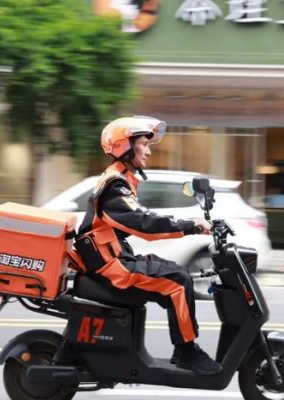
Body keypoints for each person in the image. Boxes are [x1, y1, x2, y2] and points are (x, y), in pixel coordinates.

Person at [75, 116, 222, 376]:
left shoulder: (120, 180)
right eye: (144, 144)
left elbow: (143, 217)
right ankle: (186, 351)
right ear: (124, 146)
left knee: (177, 272)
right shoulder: (114, 186)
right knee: (178, 282)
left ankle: (185, 348)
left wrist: (192, 224)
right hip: (112, 268)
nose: (149, 151)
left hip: (116, 259)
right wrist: (192, 226)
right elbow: (144, 223)